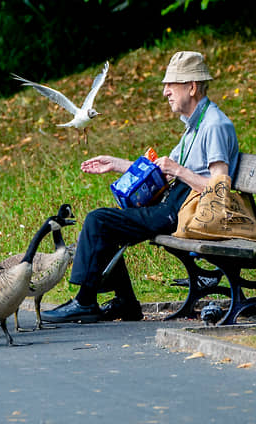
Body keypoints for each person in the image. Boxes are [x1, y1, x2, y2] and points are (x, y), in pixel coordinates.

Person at [41, 51, 239, 323]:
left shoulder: (214, 125)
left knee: (100, 221)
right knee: (109, 223)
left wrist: (179, 171)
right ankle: (125, 303)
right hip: (175, 204)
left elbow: (220, 187)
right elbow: (161, 170)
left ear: (191, 87)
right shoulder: (195, 125)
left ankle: (85, 302)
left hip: (186, 211)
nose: (165, 93)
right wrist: (116, 164)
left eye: (171, 85)